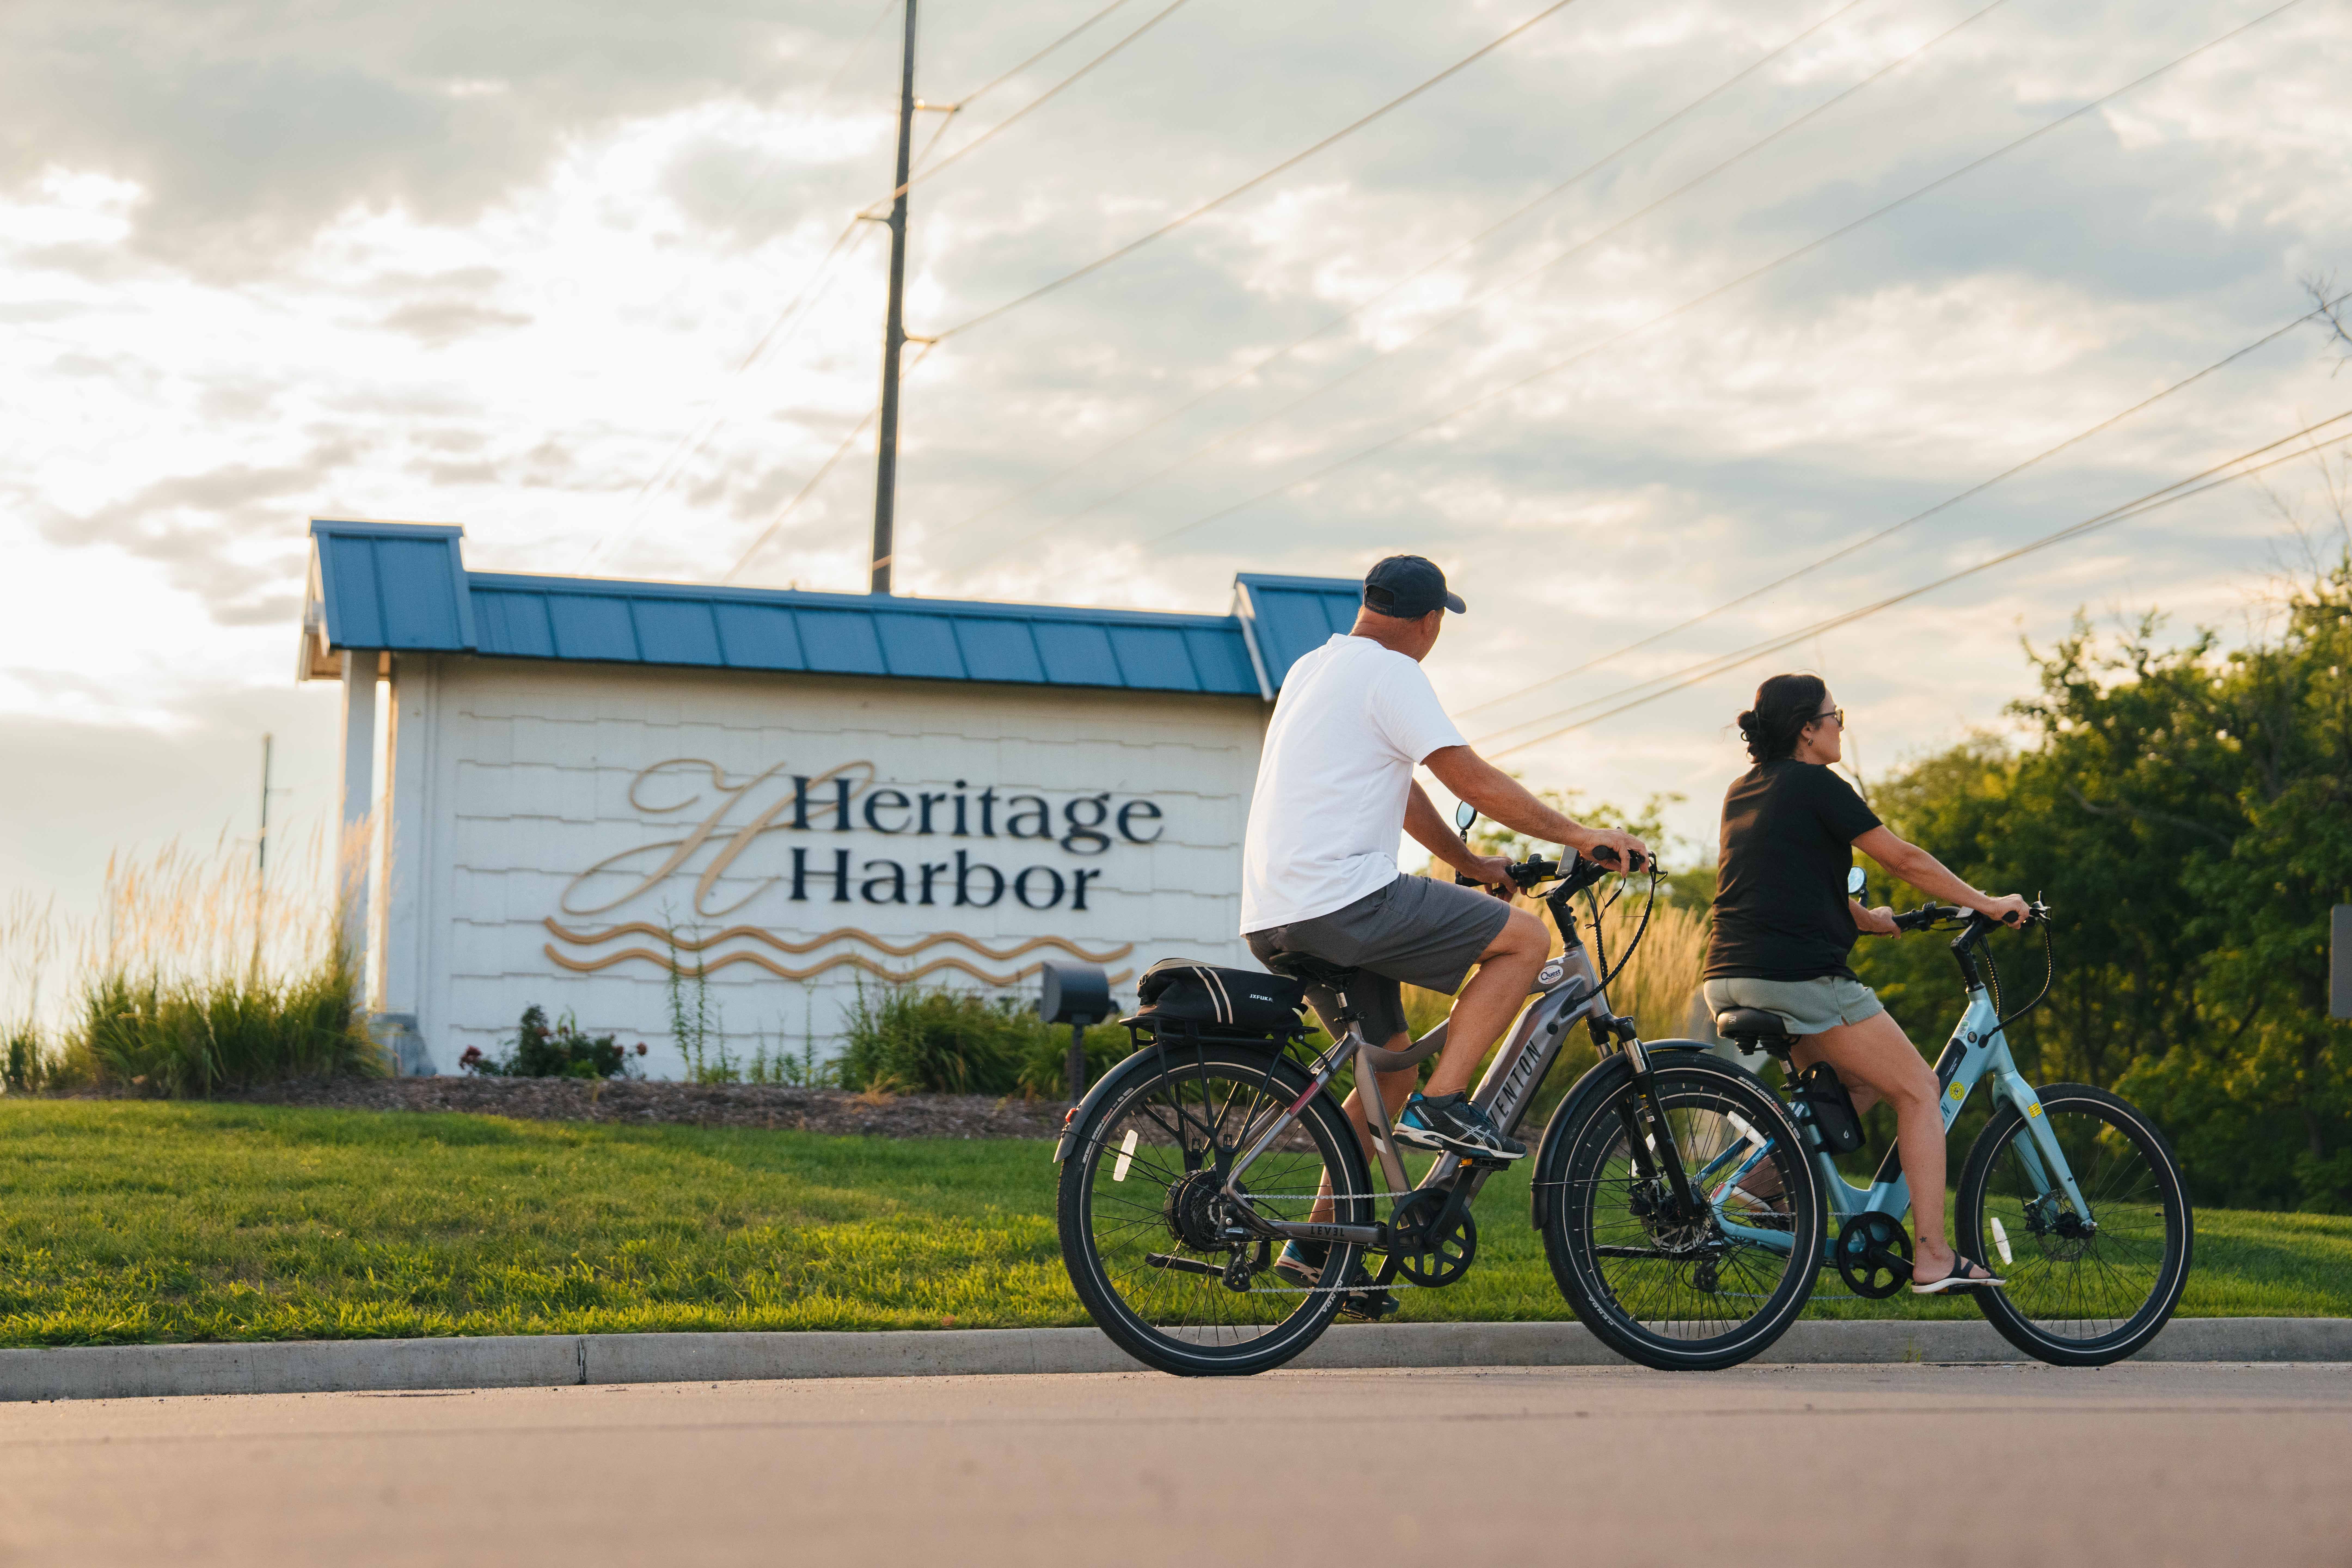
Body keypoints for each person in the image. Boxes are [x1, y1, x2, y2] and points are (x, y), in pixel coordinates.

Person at [1239, 554, 1649, 1304]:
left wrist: (1467, 861)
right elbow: (1473, 781)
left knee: (1389, 1067)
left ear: (1368, 605)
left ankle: (1315, 1247)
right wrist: (1581, 833)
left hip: (1277, 912)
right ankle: (1450, 1102)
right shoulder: (1395, 674)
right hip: (1344, 902)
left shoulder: (1313, 670)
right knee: (1524, 941)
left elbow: (1403, 788)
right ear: (1430, 623)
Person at [1701, 672, 2027, 1293]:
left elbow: (1779, 875)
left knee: (1856, 1085)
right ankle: (1933, 1255)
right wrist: (1986, 902)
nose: (1840, 726)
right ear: (1808, 728)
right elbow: (1902, 858)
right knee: (1919, 1091)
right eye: (1836, 715)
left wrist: (1866, 919)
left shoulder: (1744, 790)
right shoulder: (1820, 785)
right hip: (1798, 978)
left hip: (1731, 975)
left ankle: (1754, 1191)